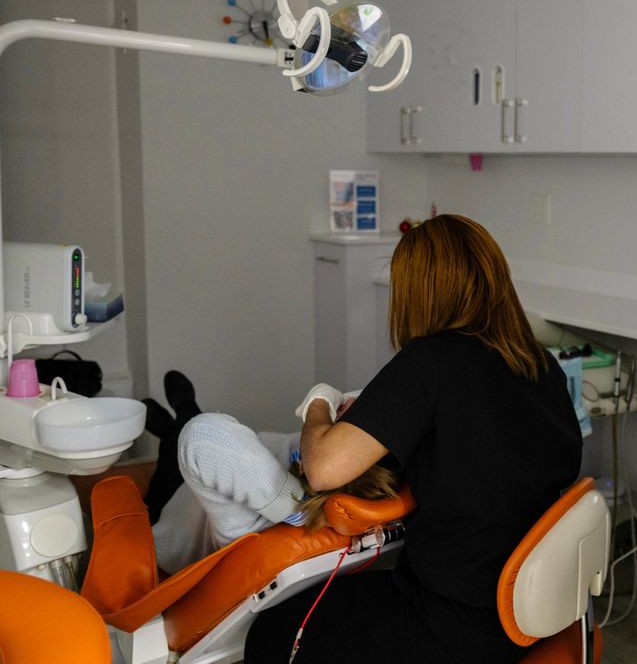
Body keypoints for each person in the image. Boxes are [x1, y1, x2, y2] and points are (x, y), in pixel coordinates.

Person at [243, 214, 583, 663]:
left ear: (418, 294)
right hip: (533, 609)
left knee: (271, 629)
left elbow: (323, 469)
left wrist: (318, 404)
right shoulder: (541, 365)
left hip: (454, 622)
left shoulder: (432, 361)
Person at [141, 375, 400, 575]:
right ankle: (175, 417)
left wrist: (318, 403)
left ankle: (184, 409)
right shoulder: (356, 473)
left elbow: (203, 439)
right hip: (235, 470)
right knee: (177, 433)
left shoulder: (261, 518)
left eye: (353, 415)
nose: (353, 400)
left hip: (179, 506)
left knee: (175, 444)